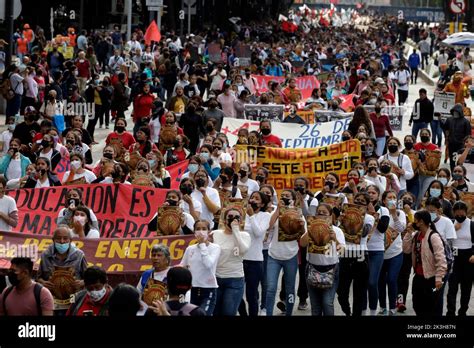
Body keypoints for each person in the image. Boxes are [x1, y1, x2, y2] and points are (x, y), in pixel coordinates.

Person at [300, 203, 345, 316]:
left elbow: (342, 251)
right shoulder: (310, 228)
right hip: (312, 268)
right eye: (318, 212)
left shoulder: (337, 230)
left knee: (327, 303)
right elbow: (302, 243)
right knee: (315, 306)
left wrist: (335, 239)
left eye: (324, 213)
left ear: (331, 216)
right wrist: (309, 230)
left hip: (331, 270)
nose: (320, 214)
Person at [265, 190, 305, 316]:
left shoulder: (298, 213)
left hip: (291, 256)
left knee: (290, 289)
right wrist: (278, 211)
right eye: (282, 196)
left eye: (287, 196)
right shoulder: (274, 212)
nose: (284, 197)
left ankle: (289, 313)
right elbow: (269, 227)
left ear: (293, 199)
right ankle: (269, 313)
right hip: (274, 256)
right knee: (271, 288)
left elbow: (303, 236)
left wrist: (302, 225)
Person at [402, 210, 447, 316]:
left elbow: (441, 259)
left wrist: (439, 278)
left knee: (431, 307)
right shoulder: (416, 235)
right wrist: (408, 233)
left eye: (415, 220)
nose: (413, 222)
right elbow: (406, 250)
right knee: (417, 306)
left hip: (432, 279)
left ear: (421, 222)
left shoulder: (433, 236)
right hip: (418, 277)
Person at [337, 192, 375, 316]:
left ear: (367, 205)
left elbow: (364, 233)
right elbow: (340, 233)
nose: (358, 203)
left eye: (362, 202)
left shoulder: (369, 218)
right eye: (356, 200)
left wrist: (357, 217)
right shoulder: (344, 214)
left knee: (359, 292)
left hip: (360, 255)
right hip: (345, 254)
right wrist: (342, 220)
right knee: (341, 291)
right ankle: (347, 311)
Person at [37, 225, 88, 315]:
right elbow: (38, 278)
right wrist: (43, 282)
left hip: (74, 301)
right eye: (58, 238)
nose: (62, 242)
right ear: (53, 240)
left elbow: (88, 278)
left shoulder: (79, 255)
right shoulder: (45, 255)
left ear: (70, 240)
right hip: (51, 301)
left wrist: (82, 282)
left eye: (65, 239)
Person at [212, 208, 250, 316]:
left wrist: (236, 230)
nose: (233, 219)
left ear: (241, 221)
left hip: (234, 279)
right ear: (224, 220)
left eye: (237, 217)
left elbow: (243, 250)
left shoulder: (244, 236)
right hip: (216, 278)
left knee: (228, 312)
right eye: (230, 217)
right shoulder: (215, 234)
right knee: (216, 312)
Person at [180, 220, 221, 315]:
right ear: (194, 232)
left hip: (208, 289)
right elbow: (182, 266)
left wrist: (202, 244)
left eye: (204, 229)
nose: (201, 231)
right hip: (192, 289)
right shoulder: (190, 249)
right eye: (198, 229)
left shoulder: (215, 248)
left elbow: (208, 264)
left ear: (209, 231)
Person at [241, 191, 271, 316]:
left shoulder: (265, 215)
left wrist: (252, 215)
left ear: (262, 203)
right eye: (252, 198)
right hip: (239, 259)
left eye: (257, 199)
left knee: (251, 295)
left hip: (255, 260)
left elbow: (259, 233)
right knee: (237, 294)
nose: (253, 200)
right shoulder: (242, 214)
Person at [378, 190, 406, 315]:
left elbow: (401, 229)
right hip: (380, 253)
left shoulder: (400, 213)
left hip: (396, 253)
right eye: (389, 197)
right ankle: (383, 307)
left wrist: (394, 215)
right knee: (380, 280)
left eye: (394, 197)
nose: (392, 199)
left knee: (391, 279)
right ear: (384, 200)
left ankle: (393, 307)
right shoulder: (379, 212)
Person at [446, 201, 474, 316]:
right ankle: (450, 311)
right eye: (457, 214)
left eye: (462, 214)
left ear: (466, 213)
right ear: (454, 213)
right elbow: (445, 240)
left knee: (466, 288)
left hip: (468, 258)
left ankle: (463, 311)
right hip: (454, 257)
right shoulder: (451, 224)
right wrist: (453, 229)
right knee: (452, 287)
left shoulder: (472, 224)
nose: (459, 216)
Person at [443, 103, 472, 171]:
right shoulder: (449, 119)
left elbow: (468, 135)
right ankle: (453, 173)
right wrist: (439, 119)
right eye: (454, 111)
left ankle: (459, 173)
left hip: (461, 145)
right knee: (452, 161)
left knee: (459, 161)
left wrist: (467, 145)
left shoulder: (465, 122)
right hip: (451, 144)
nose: (455, 113)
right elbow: (445, 128)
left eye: (456, 111)